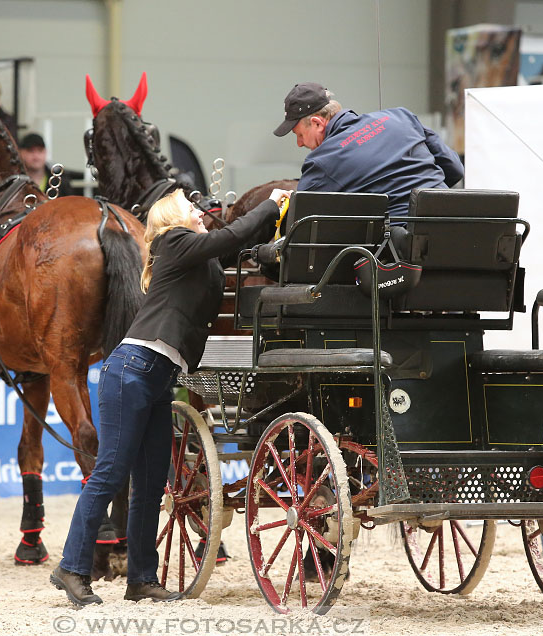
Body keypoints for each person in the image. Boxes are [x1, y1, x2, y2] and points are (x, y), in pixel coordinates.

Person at [51, 186, 291, 606]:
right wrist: (271, 203)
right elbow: (232, 237)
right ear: (174, 218)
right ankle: (71, 567)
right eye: (192, 207)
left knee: (149, 485)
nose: (200, 211)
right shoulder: (172, 242)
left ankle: (142, 578)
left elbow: (238, 244)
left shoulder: (198, 256)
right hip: (133, 370)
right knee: (110, 472)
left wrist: (274, 224)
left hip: (157, 376)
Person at [273, 82, 463, 218]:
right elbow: (455, 169)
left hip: (402, 254)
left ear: (317, 123)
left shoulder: (323, 160)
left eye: (299, 135)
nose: (299, 143)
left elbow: (301, 222)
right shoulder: (401, 116)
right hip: (455, 224)